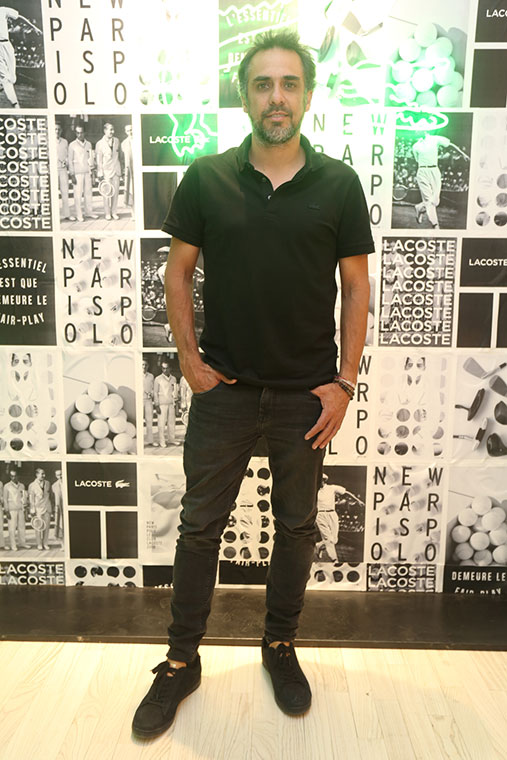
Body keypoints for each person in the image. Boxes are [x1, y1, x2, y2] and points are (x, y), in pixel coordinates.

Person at [132, 30, 373, 738]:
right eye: (263, 84)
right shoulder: (206, 177)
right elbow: (177, 272)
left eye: (289, 83)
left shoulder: (338, 183)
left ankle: (279, 644)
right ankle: (181, 661)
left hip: (306, 396)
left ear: (308, 95)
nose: (277, 97)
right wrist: (188, 360)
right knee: (199, 527)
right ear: (244, 96)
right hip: (225, 391)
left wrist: (344, 383)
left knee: (296, 526)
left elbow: (356, 286)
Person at [412, 130, 469, 229]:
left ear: (425, 130)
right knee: (428, 200)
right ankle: (435, 225)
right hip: (422, 172)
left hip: (434, 171)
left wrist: (463, 154)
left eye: (419, 129)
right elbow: (417, 160)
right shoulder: (415, 146)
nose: (416, 131)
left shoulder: (436, 139)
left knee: (435, 201)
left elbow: (450, 145)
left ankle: (420, 207)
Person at [68, 124, 98, 223]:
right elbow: (70, 160)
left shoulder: (88, 144)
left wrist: (92, 172)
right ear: (75, 133)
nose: (79, 135)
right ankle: (79, 215)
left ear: (84, 133)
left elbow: (91, 158)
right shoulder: (72, 145)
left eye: (81, 132)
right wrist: (72, 174)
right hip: (77, 173)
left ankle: (89, 212)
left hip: (87, 172)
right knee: (78, 195)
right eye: (77, 133)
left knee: (88, 193)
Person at [315, 474, 345, 563]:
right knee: (328, 539)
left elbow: (345, 492)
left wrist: (358, 501)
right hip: (320, 515)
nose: (318, 482)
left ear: (324, 480)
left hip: (332, 514)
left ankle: (319, 545)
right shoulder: (314, 491)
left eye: (320, 480)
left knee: (334, 540)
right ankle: (334, 559)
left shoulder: (332, 488)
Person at [95, 122, 122, 221]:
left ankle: (114, 212)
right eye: (110, 130)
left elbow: (119, 156)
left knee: (115, 192)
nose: (112, 132)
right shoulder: (99, 143)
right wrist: (100, 172)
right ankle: (107, 213)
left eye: (113, 129)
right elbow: (99, 160)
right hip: (106, 172)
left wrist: (120, 169)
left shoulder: (117, 141)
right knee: (106, 193)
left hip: (116, 170)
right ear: (105, 130)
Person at [153, 361, 179, 448]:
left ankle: (171, 439)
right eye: (163, 368)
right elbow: (155, 392)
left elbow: (175, 392)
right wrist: (156, 405)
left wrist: (176, 404)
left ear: (170, 368)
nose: (165, 370)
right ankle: (162, 441)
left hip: (171, 404)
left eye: (167, 368)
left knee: (171, 423)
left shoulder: (173, 379)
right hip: (162, 404)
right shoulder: (158, 379)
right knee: (161, 423)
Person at [3, 467, 29, 551]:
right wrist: (6, 511)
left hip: (20, 509)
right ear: (10, 477)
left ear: (18, 476)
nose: (13, 478)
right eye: (12, 476)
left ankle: (22, 543)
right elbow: (5, 499)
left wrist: (25, 509)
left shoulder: (22, 486)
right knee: (12, 528)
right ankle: (13, 545)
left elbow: (24, 498)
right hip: (11, 510)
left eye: (15, 476)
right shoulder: (7, 486)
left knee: (22, 527)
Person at [28, 467, 52, 550]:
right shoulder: (32, 485)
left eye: (44, 474)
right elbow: (31, 499)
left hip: (47, 508)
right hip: (38, 509)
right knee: (38, 527)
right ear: (36, 474)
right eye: (42, 474)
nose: (43, 475)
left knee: (47, 527)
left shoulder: (48, 483)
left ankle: (45, 543)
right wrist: (32, 510)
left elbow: (50, 495)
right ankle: (39, 544)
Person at [55, 123, 76, 221]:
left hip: (63, 170)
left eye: (59, 129)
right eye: (55, 129)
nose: (57, 131)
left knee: (65, 192)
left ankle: (67, 214)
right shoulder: (48, 141)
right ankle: (55, 216)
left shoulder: (64, 142)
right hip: (53, 170)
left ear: (61, 130)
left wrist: (66, 161)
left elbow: (68, 156)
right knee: (54, 193)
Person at [142, 358, 157, 447]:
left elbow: (153, 388)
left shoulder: (151, 376)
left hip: (148, 401)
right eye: (142, 365)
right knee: (139, 421)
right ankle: (140, 442)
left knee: (149, 421)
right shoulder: (137, 375)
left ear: (148, 366)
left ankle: (150, 441)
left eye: (145, 365)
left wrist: (151, 393)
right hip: (140, 401)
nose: (144, 366)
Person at [121, 123, 134, 218]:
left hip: (137, 169)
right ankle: (133, 213)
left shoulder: (138, 140)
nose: (130, 132)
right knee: (131, 191)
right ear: (126, 132)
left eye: (131, 129)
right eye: (128, 130)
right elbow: (122, 158)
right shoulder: (124, 143)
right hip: (129, 170)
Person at [51, 469, 63, 542]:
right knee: (60, 525)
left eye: (61, 474)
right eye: (58, 475)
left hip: (66, 507)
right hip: (59, 508)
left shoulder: (68, 483)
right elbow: (52, 498)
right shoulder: (54, 486)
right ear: (56, 476)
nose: (60, 476)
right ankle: (62, 543)